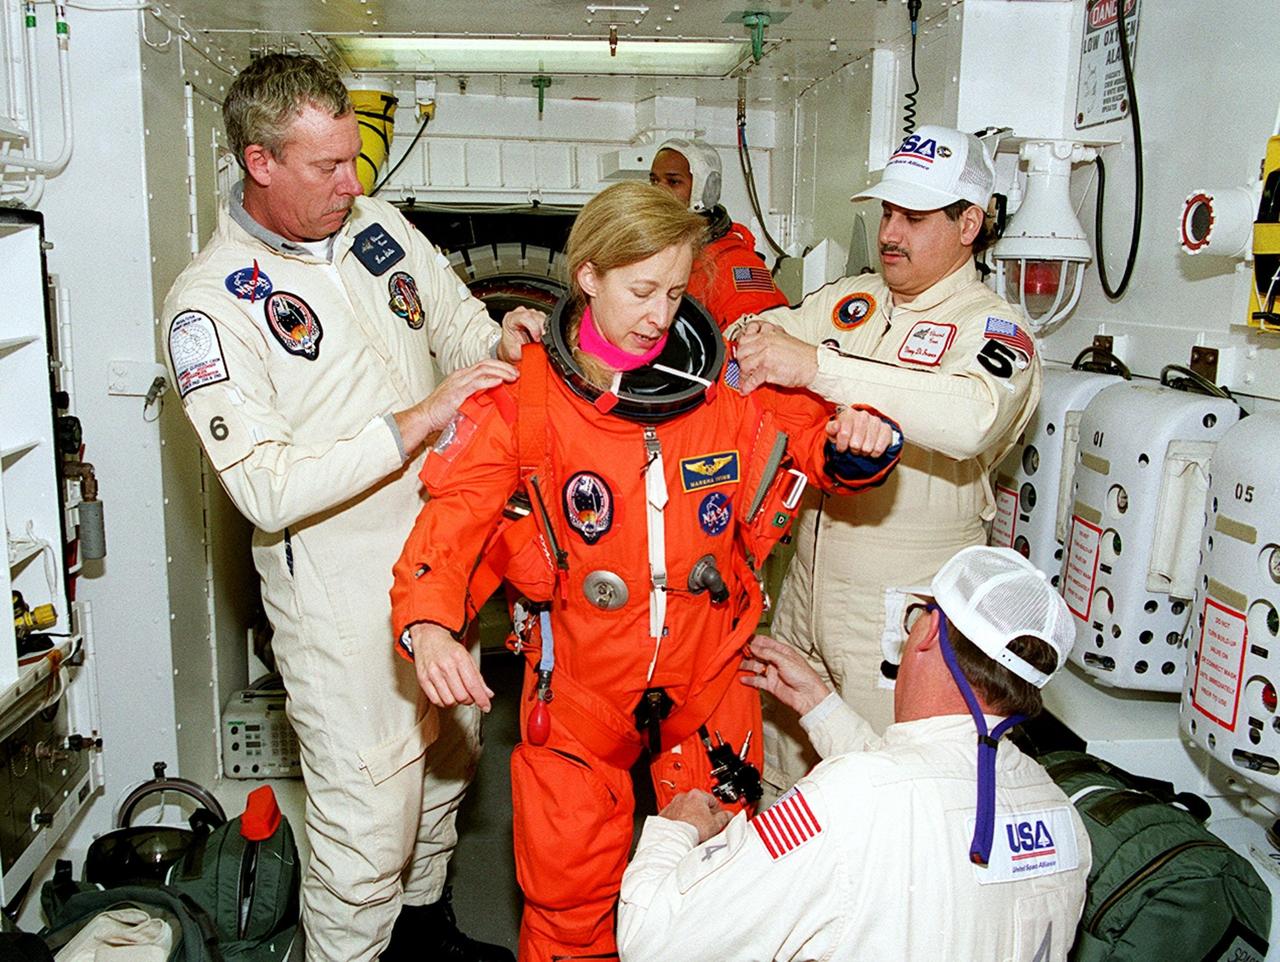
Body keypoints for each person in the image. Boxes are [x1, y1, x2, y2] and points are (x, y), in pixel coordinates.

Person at [390, 182, 902, 962]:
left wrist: (856, 442)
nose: (661, 315)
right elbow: (450, 524)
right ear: (588, 277)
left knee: (720, 893)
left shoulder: (729, 387)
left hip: (707, 688)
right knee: (567, 910)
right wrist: (429, 624)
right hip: (580, 698)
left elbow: (817, 448)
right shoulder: (528, 403)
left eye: (674, 290)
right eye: (640, 291)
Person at [161, 54, 543, 962]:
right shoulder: (210, 306)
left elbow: (449, 322)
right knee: (368, 828)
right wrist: (416, 422)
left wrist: (502, 339)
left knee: (449, 768)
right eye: (326, 166)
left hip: (442, 562)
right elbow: (265, 486)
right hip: (341, 599)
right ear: (259, 163)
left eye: (352, 157)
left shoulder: (375, 227)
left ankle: (424, 935)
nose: (353, 180)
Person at [732, 125, 1043, 790]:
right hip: (806, 581)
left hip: (900, 610)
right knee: (783, 774)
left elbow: (969, 418)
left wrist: (818, 367)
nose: (891, 232)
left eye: (915, 217)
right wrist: (752, 335)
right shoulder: (857, 301)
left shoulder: (993, 327)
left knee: (881, 779)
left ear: (969, 224)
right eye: (888, 213)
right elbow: (760, 336)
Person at [617, 545, 1091, 962]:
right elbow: (922, 802)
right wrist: (819, 707)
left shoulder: (847, 803)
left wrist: (674, 830)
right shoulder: (1061, 817)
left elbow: (653, 941)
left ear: (928, 634)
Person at [649, 138, 788, 328]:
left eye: (673, 181)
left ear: (705, 188)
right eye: (654, 180)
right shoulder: (658, 253)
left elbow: (765, 341)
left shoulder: (735, 264)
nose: (658, 191)